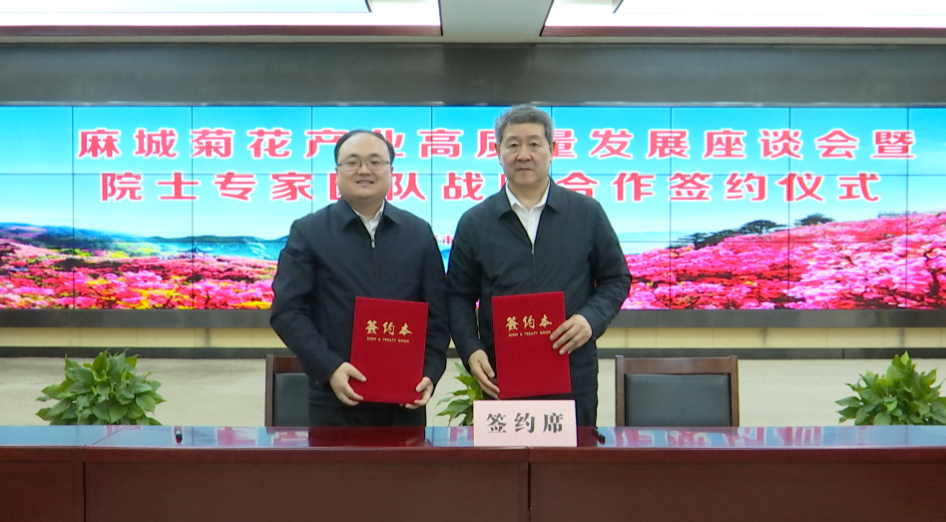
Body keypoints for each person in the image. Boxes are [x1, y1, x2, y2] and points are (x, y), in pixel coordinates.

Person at [446, 105, 631, 427]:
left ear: (552, 149)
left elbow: (616, 278)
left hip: (572, 371)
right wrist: (471, 349)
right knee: (507, 458)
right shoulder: (476, 222)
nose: (524, 154)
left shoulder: (586, 213)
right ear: (498, 152)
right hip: (501, 374)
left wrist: (590, 319)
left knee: (571, 456)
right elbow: (457, 296)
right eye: (513, 144)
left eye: (534, 143)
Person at [270, 130, 449, 427]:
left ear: (391, 170)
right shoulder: (310, 231)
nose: (364, 170)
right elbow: (287, 311)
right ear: (337, 172)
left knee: (407, 460)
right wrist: (329, 367)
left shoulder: (418, 233)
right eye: (352, 162)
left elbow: (438, 314)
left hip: (405, 399)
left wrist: (430, 370)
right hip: (335, 398)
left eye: (375, 162)